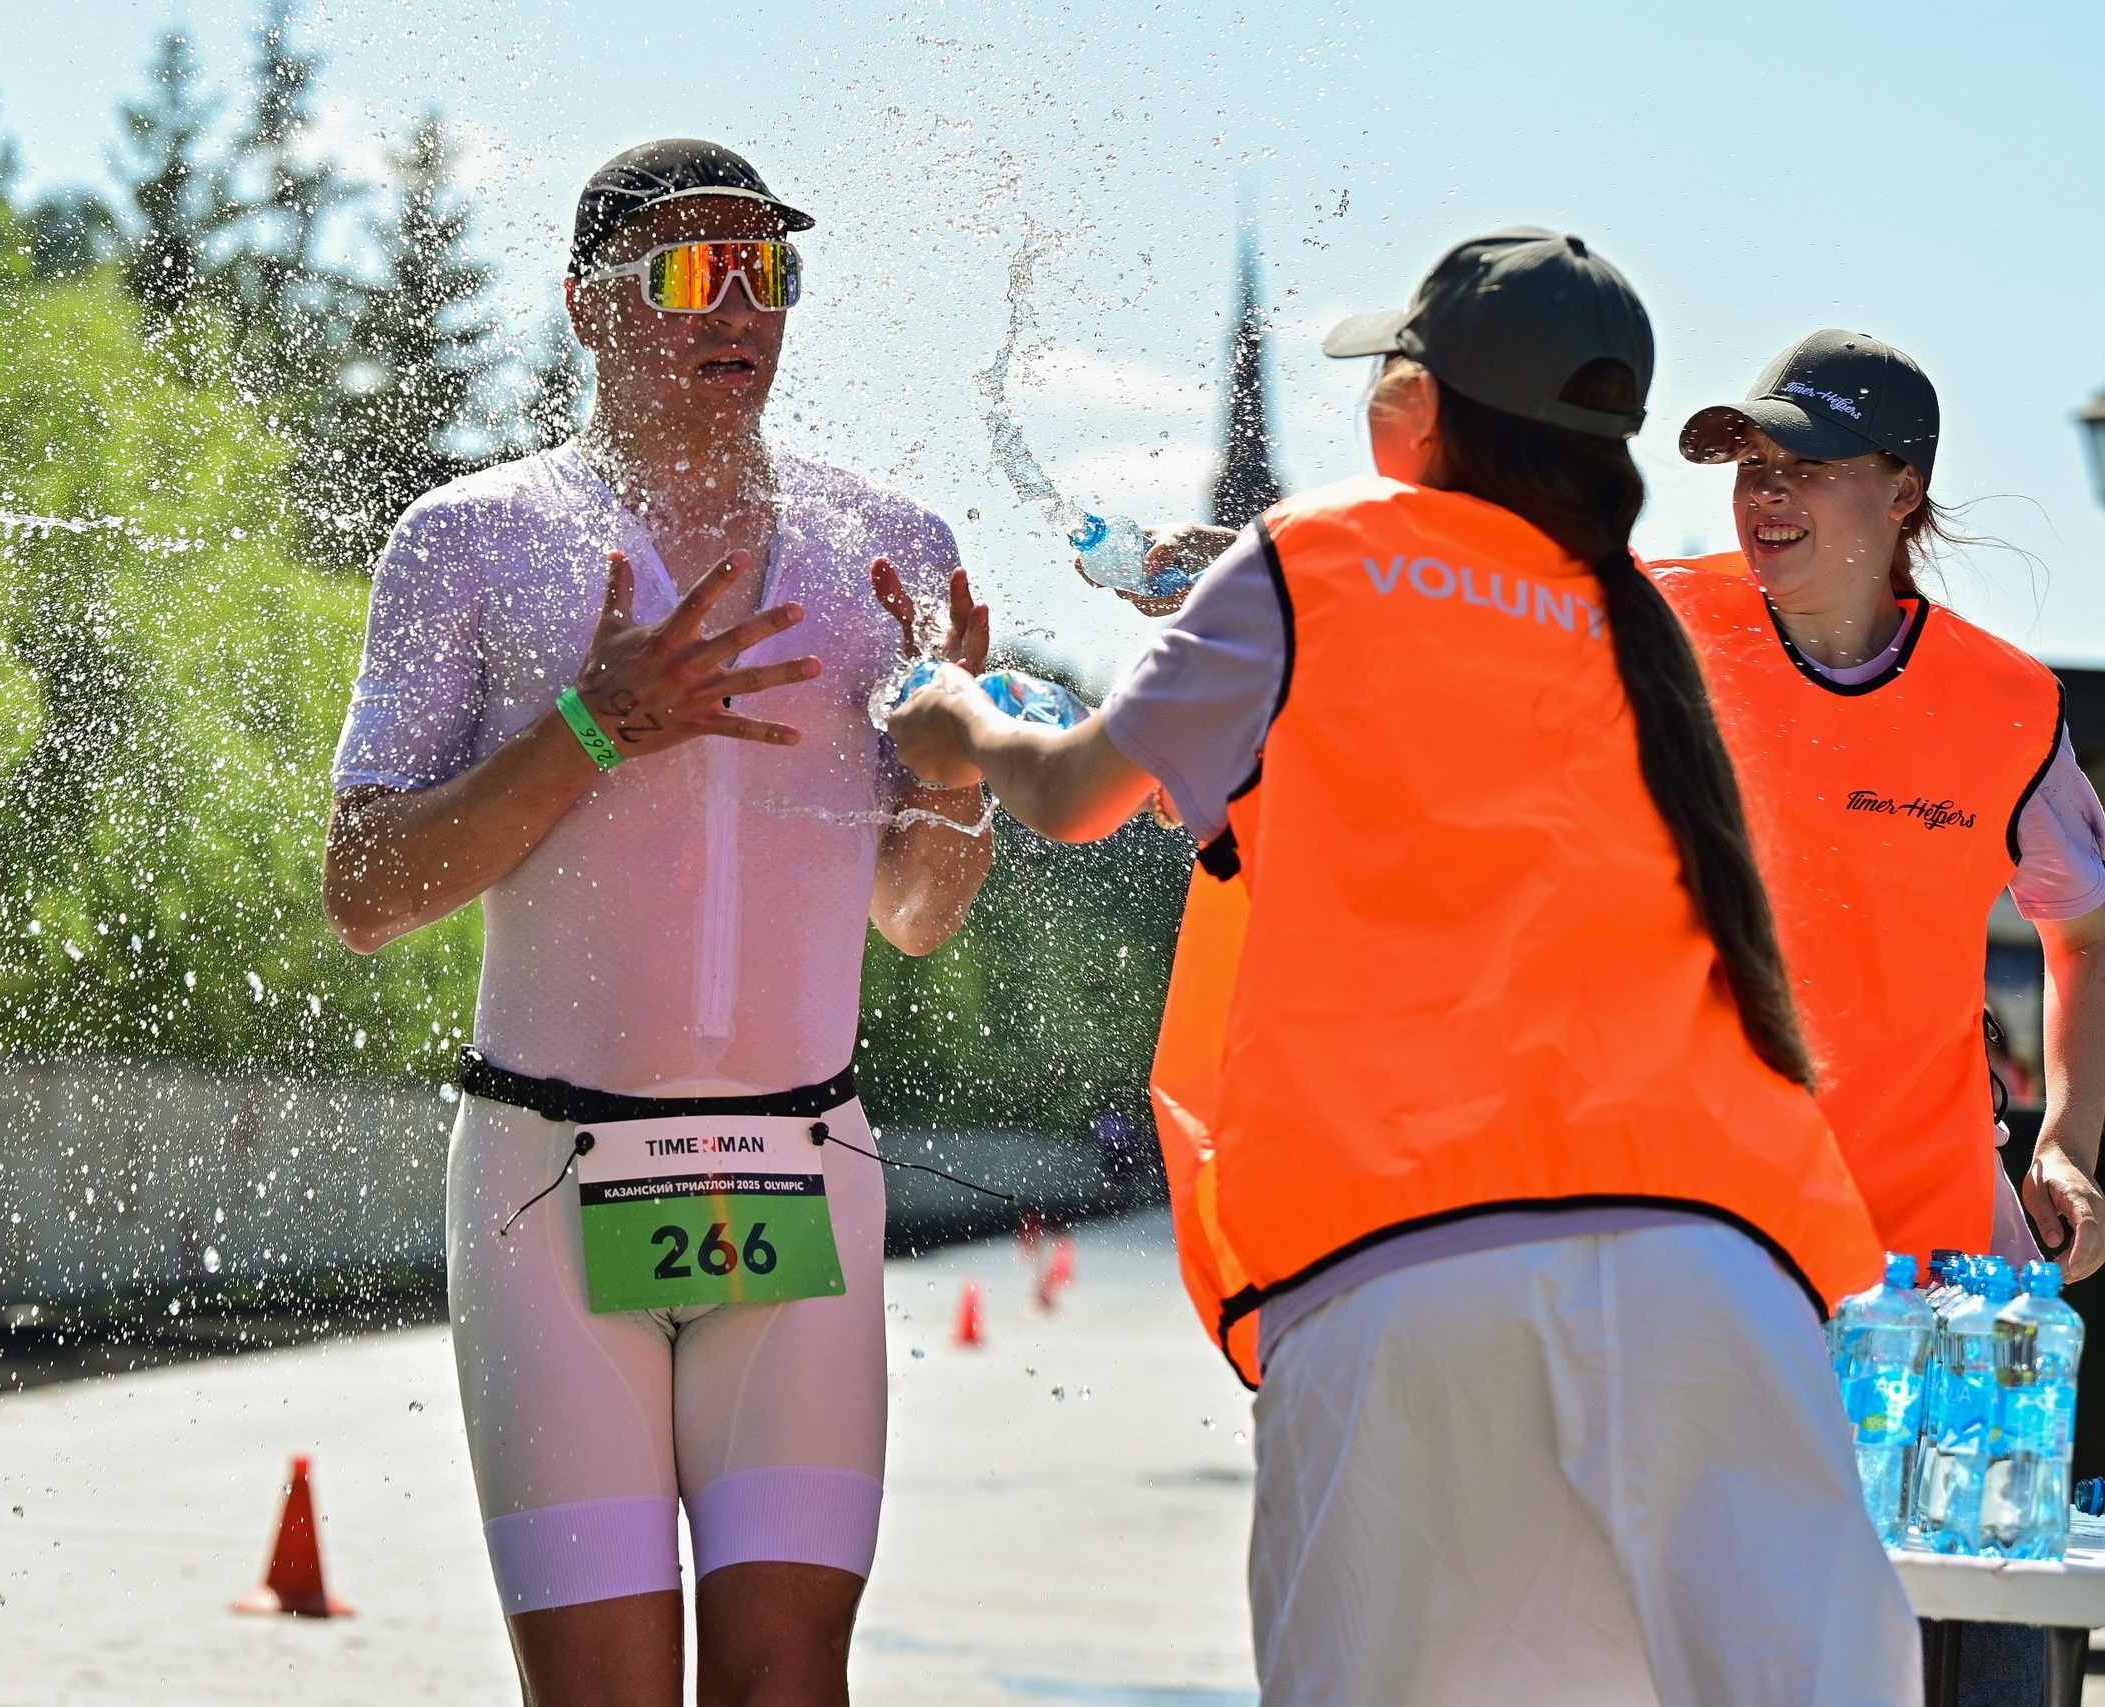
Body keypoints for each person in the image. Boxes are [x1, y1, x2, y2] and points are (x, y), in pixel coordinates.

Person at [888, 228, 1916, 1705]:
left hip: (1409, 1258)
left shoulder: (1314, 556)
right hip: (1721, 1271)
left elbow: (1066, 792)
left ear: (1411, 412)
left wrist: (952, 723)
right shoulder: (1641, 627)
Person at [322, 139, 994, 1707]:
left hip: (799, 1173)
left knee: (785, 1685)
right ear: (587, 304)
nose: (741, 303)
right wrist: (590, 725)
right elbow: (365, 892)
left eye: (773, 271)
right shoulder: (470, 538)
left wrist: (957, 785)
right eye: (696, 268)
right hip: (548, 1187)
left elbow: (912, 915)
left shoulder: (890, 550)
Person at [1651, 332, 2105, 1285]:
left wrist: (2065, 1141)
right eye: (1753, 465)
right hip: (1678, 1237)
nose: (1766, 492)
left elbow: (2088, 939)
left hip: (1920, 1272)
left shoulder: (2007, 707)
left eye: (1807, 465)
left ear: (1903, 491)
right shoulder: (1648, 628)